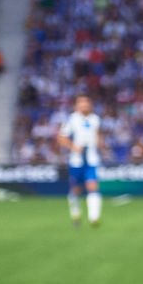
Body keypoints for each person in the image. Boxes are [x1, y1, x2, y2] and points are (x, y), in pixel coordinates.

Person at [57, 94, 103, 227]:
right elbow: (61, 137)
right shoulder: (72, 119)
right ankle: (75, 214)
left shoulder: (95, 119)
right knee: (76, 189)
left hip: (92, 159)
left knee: (93, 186)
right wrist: (73, 147)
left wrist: (101, 145)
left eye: (86, 102)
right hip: (77, 160)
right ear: (77, 105)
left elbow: (98, 135)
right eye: (81, 103)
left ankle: (94, 218)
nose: (84, 105)